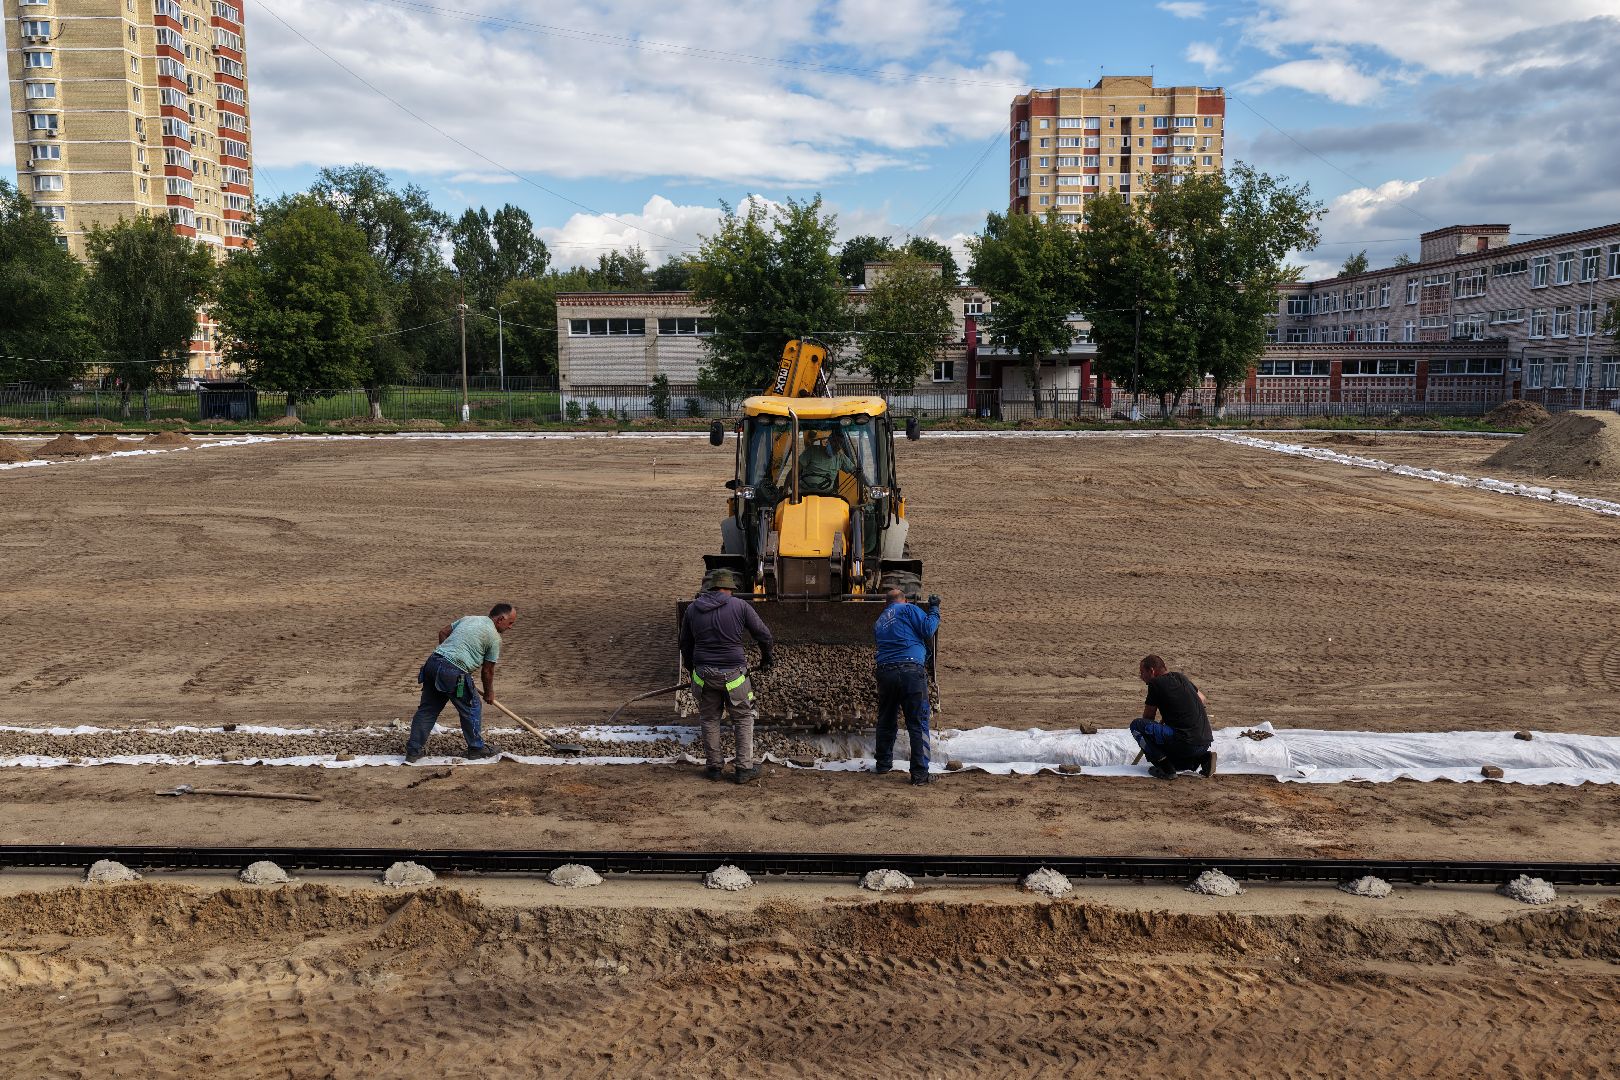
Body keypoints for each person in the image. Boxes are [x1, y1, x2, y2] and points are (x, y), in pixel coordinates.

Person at [680, 569, 775, 783]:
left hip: (703, 676)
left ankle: (714, 768)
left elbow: (685, 644)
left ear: (710, 588)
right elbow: (764, 635)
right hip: (734, 676)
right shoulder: (740, 606)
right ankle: (743, 769)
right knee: (742, 718)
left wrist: (691, 669)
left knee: (709, 718)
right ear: (728, 589)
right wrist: (767, 658)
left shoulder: (693, 609)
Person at [405, 603, 518, 763]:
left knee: (428, 710)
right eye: (510, 623)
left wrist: (446, 660)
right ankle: (476, 749)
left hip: (432, 663)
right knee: (472, 707)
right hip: (453, 673)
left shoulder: (469, 619)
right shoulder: (494, 638)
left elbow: (443, 632)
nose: (510, 627)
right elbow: (488, 671)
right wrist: (489, 692)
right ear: (500, 619)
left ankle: (413, 751)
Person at [873, 586, 940, 785]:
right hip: (910, 671)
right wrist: (935, 609)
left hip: (885, 672)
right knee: (917, 723)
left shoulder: (879, 622)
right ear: (905, 600)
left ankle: (883, 764)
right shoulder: (909, 610)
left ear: (887, 604)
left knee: (886, 719)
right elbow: (928, 629)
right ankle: (920, 774)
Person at [1130, 654, 1216, 780]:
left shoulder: (1155, 684)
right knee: (1180, 764)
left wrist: (1153, 745)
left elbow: (1148, 718)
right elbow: (1202, 699)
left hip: (1185, 743)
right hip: (1204, 742)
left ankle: (1165, 768)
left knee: (1137, 725)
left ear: (1152, 671)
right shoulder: (1181, 677)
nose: (1141, 677)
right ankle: (1203, 758)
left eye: (1142, 672)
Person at [797, 431, 857, 496]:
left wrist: (869, 484)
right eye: (835, 442)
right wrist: (786, 488)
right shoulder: (811, 451)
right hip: (805, 493)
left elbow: (855, 471)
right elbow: (795, 470)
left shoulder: (840, 457)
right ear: (829, 441)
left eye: (840, 443)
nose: (838, 446)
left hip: (827, 495)